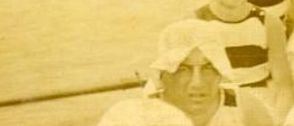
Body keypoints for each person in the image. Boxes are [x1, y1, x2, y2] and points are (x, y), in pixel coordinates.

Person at [98, 19, 274, 126]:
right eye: (183, 69)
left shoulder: (246, 109)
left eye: (208, 67)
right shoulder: (139, 118)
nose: (197, 82)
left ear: (221, 71)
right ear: (163, 74)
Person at [195, 0, 294, 121]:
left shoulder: (269, 23)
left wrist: (277, 121)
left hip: (260, 106)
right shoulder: (195, 23)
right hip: (214, 109)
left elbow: (284, 87)